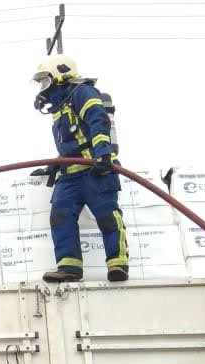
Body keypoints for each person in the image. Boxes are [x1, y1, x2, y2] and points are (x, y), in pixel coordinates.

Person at [32, 56, 129, 283]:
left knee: (107, 217)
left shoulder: (82, 92)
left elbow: (98, 120)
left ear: (60, 73)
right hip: (70, 175)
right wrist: (53, 165)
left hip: (96, 170)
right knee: (60, 215)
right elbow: (71, 142)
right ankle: (69, 267)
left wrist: (103, 154)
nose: (43, 87)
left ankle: (118, 264)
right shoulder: (59, 107)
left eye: (45, 80)